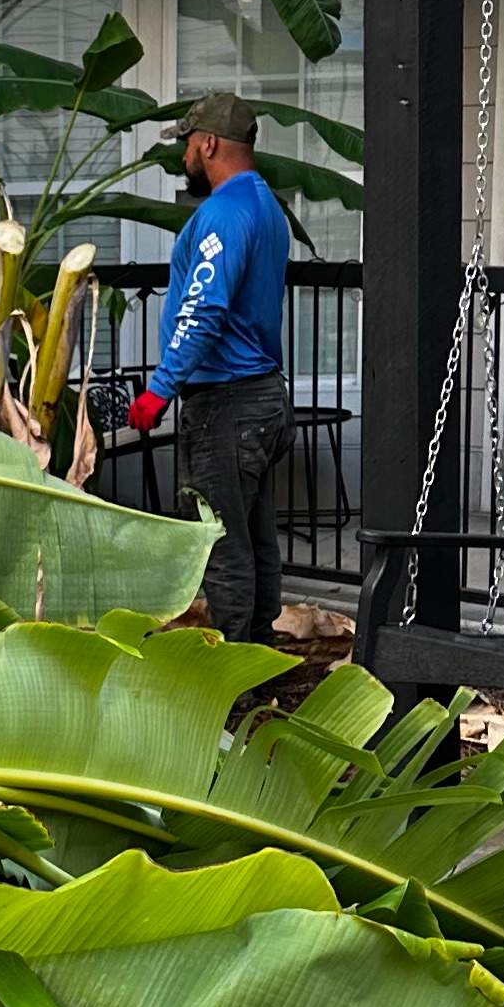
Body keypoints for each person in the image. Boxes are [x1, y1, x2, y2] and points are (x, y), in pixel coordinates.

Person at [128, 90, 294, 644]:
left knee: (222, 547)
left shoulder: (222, 214)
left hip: (225, 407)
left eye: (187, 148)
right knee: (255, 539)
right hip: (264, 399)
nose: (183, 160)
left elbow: (203, 310)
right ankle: (262, 657)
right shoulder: (266, 206)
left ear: (209, 144)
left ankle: (232, 683)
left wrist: (158, 390)